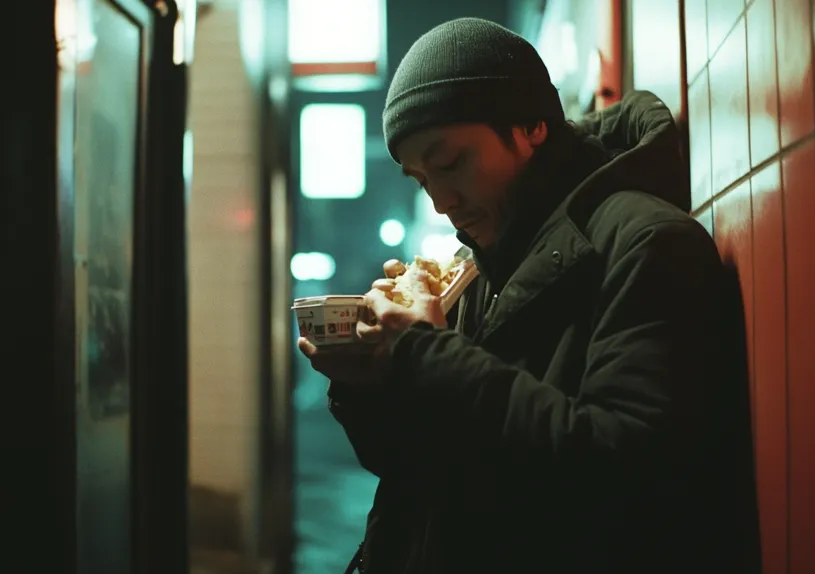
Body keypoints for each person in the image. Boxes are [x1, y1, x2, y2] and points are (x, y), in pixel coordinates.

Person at [299, 17, 758, 574]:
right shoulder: (474, 271)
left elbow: (627, 478)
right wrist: (369, 379)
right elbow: (420, 467)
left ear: (531, 126)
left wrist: (424, 349)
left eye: (451, 164)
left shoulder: (649, 244)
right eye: (422, 179)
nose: (442, 201)